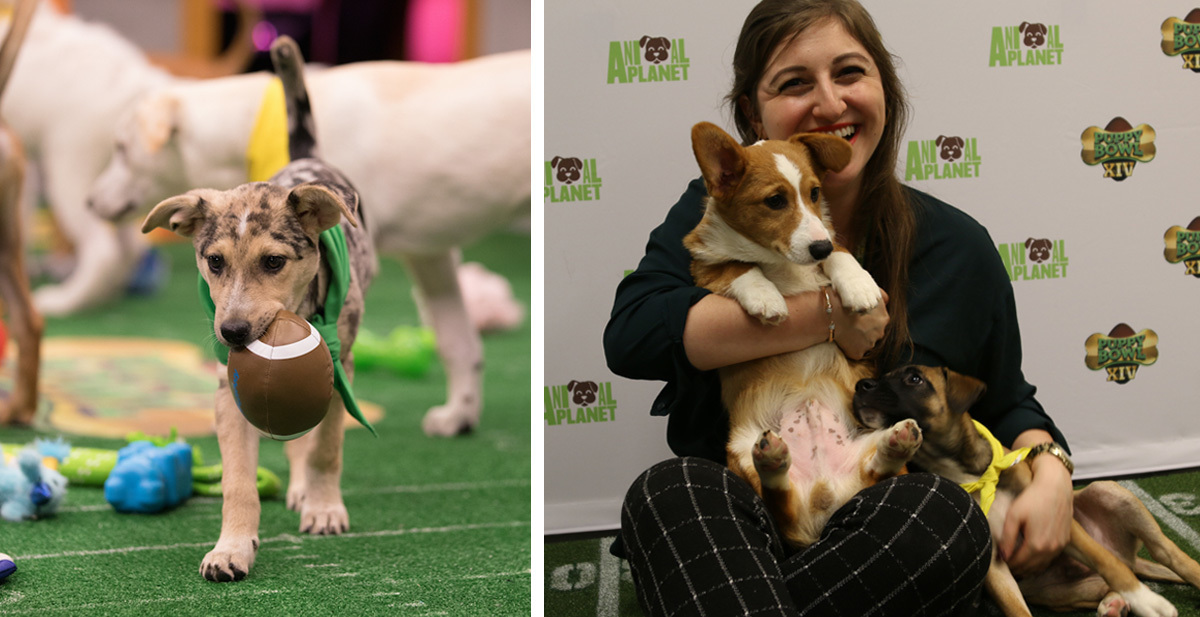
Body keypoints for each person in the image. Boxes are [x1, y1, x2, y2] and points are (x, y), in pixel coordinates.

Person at [602, 0, 1076, 615]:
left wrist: (1053, 469)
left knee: (944, 514)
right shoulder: (716, 211)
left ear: (886, 87)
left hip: (878, 514)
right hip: (744, 515)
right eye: (796, 83)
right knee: (670, 490)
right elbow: (633, 335)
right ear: (753, 113)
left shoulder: (958, 245)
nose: (829, 104)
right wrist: (827, 317)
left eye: (850, 73)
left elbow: (1007, 398)